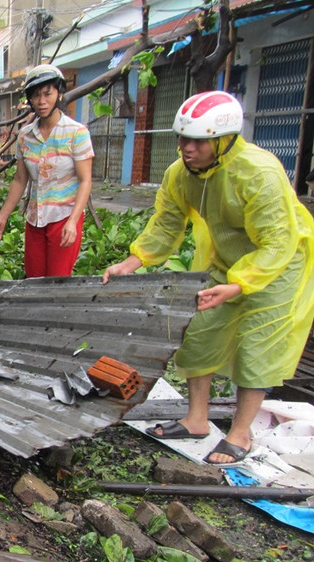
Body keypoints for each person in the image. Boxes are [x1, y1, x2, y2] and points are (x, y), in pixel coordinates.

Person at [102, 91, 314, 465]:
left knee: (257, 346)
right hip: (225, 260)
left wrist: (239, 284)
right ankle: (197, 419)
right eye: (182, 138)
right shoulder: (179, 175)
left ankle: (240, 433)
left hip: (279, 265)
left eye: (198, 141)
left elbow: (278, 241)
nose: (187, 148)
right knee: (197, 333)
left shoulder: (258, 173)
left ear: (223, 139)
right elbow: (166, 226)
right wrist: (131, 263)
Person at [0, 64, 94, 277]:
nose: (42, 101)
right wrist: (3, 217)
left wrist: (73, 221)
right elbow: (20, 180)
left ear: (59, 94)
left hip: (64, 217)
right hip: (35, 218)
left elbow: (85, 181)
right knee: (33, 280)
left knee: (57, 282)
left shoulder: (77, 133)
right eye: (36, 95)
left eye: (48, 94)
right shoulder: (25, 135)